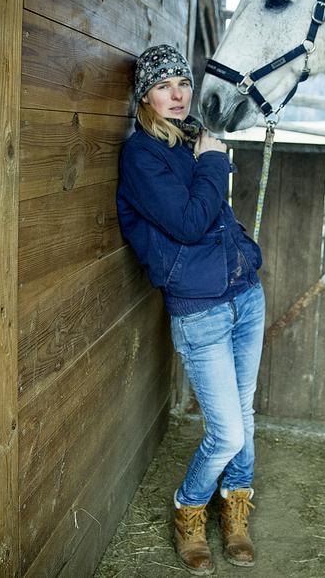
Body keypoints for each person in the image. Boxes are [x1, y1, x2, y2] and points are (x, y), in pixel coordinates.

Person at [116, 44, 266, 574]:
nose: (177, 94)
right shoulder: (143, 155)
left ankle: (236, 509)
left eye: (182, 82)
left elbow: (218, 217)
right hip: (200, 309)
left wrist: (248, 253)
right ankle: (188, 509)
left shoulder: (189, 140)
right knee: (225, 432)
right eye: (163, 86)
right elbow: (188, 223)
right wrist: (213, 162)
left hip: (244, 297)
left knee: (243, 414)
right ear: (144, 97)